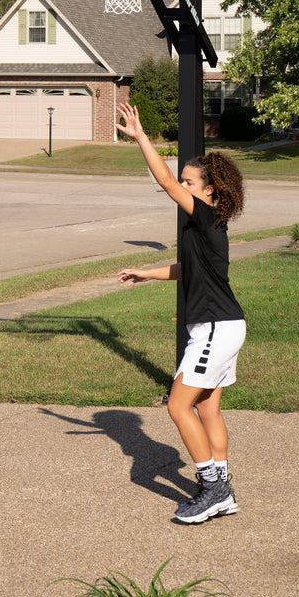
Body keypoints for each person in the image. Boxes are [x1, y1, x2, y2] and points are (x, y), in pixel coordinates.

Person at [115, 101, 246, 525]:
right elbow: (187, 270)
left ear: (209, 190)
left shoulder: (206, 216)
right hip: (222, 324)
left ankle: (213, 489)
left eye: (191, 182)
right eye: (184, 181)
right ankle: (221, 487)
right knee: (207, 409)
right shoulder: (204, 229)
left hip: (213, 327)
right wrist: (147, 273)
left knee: (177, 406)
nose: (180, 187)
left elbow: (168, 182)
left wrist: (140, 139)